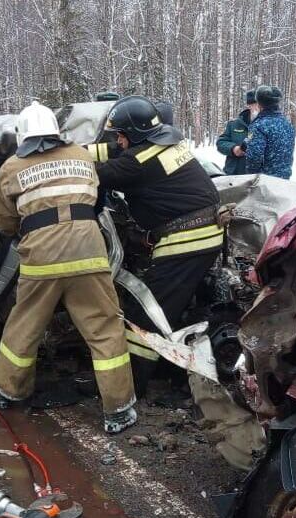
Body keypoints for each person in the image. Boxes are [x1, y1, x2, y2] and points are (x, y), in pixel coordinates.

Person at [0, 101, 137, 434]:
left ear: (23, 136)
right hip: (89, 252)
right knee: (104, 329)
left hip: (42, 259)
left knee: (24, 326)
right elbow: (97, 201)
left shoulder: (12, 167)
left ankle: (8, 393)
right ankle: (119, 409)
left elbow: (1, 220)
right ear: (58, 133)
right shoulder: (82, 156)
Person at [96, 96, 224, 408]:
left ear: (135, 135)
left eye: (121, 135)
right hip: (203, 235)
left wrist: (65, 157)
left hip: (185, 242)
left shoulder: (137, 162)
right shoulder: (166, 144)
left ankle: (132, 387)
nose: (118, 141)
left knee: (146, 317)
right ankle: (171, 371)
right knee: (172, 309)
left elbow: (97, 172)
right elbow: (117, 151)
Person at [244, 85, 296, 179]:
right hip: (284, 179)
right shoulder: (287, 123)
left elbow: (254, 156)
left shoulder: (259, 125)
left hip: (266, 182)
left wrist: (252, 177)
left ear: (259, 104)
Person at [216, 90, 258, 175]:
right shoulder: (234, 124)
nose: (260, 108)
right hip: (234, 176)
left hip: (258, 177)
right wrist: (233, 149)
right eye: (256, 104)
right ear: (249, 105)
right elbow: (221, 143)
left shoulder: (268, 126)